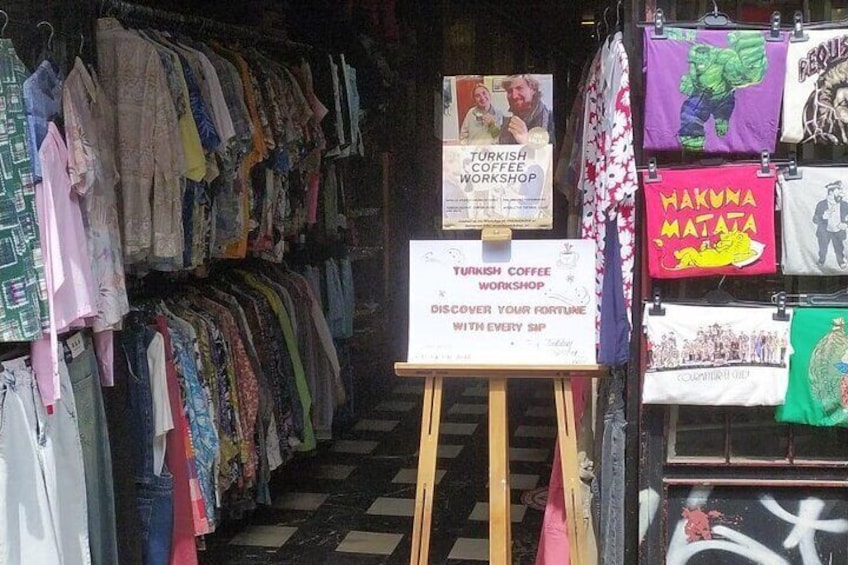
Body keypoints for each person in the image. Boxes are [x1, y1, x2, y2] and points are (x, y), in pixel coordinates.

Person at [498, 74, 555, 145]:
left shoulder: (551, 120)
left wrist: (526, 141)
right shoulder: (507, 124)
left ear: (533, 89)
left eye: (519, 88)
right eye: (509, 91)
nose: (514, 96)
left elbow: (555, 154)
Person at [813, 180, 848, 268]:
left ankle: (841, 262)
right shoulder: (821, 204)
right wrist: (823, 216)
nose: (841, 193)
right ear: (831, 192)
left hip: (838, 231)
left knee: (839, 248)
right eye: (838, 190)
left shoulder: (845, 205)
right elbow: (815, 219)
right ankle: (821, 261)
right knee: (823, 248)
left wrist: (845, 224)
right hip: (825, 231)